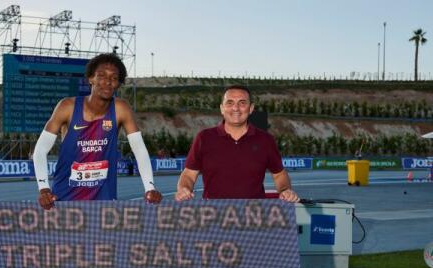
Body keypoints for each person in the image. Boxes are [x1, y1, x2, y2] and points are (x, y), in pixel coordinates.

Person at [32, 53, 162, 209]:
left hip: (104, 201)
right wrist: (44, 188)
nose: (107, 82)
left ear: (118, 84)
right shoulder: (67, 107)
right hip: (64, 198)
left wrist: (150, 187)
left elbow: (139, 150)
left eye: (114, 78)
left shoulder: (121, 109)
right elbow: (40, 150)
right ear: (90, 79)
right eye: (101, 76)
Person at [175, 85, 299, 202]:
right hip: (214, 216)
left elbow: (279, 175)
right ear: (222, 108)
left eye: (242, 103)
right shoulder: (204, 138)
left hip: (254, 215)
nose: (236, 108)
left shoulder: (266, 140)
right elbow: (189, 175)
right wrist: (184, 189)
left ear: (251, 109)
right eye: (230, 103)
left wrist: (284, 190)